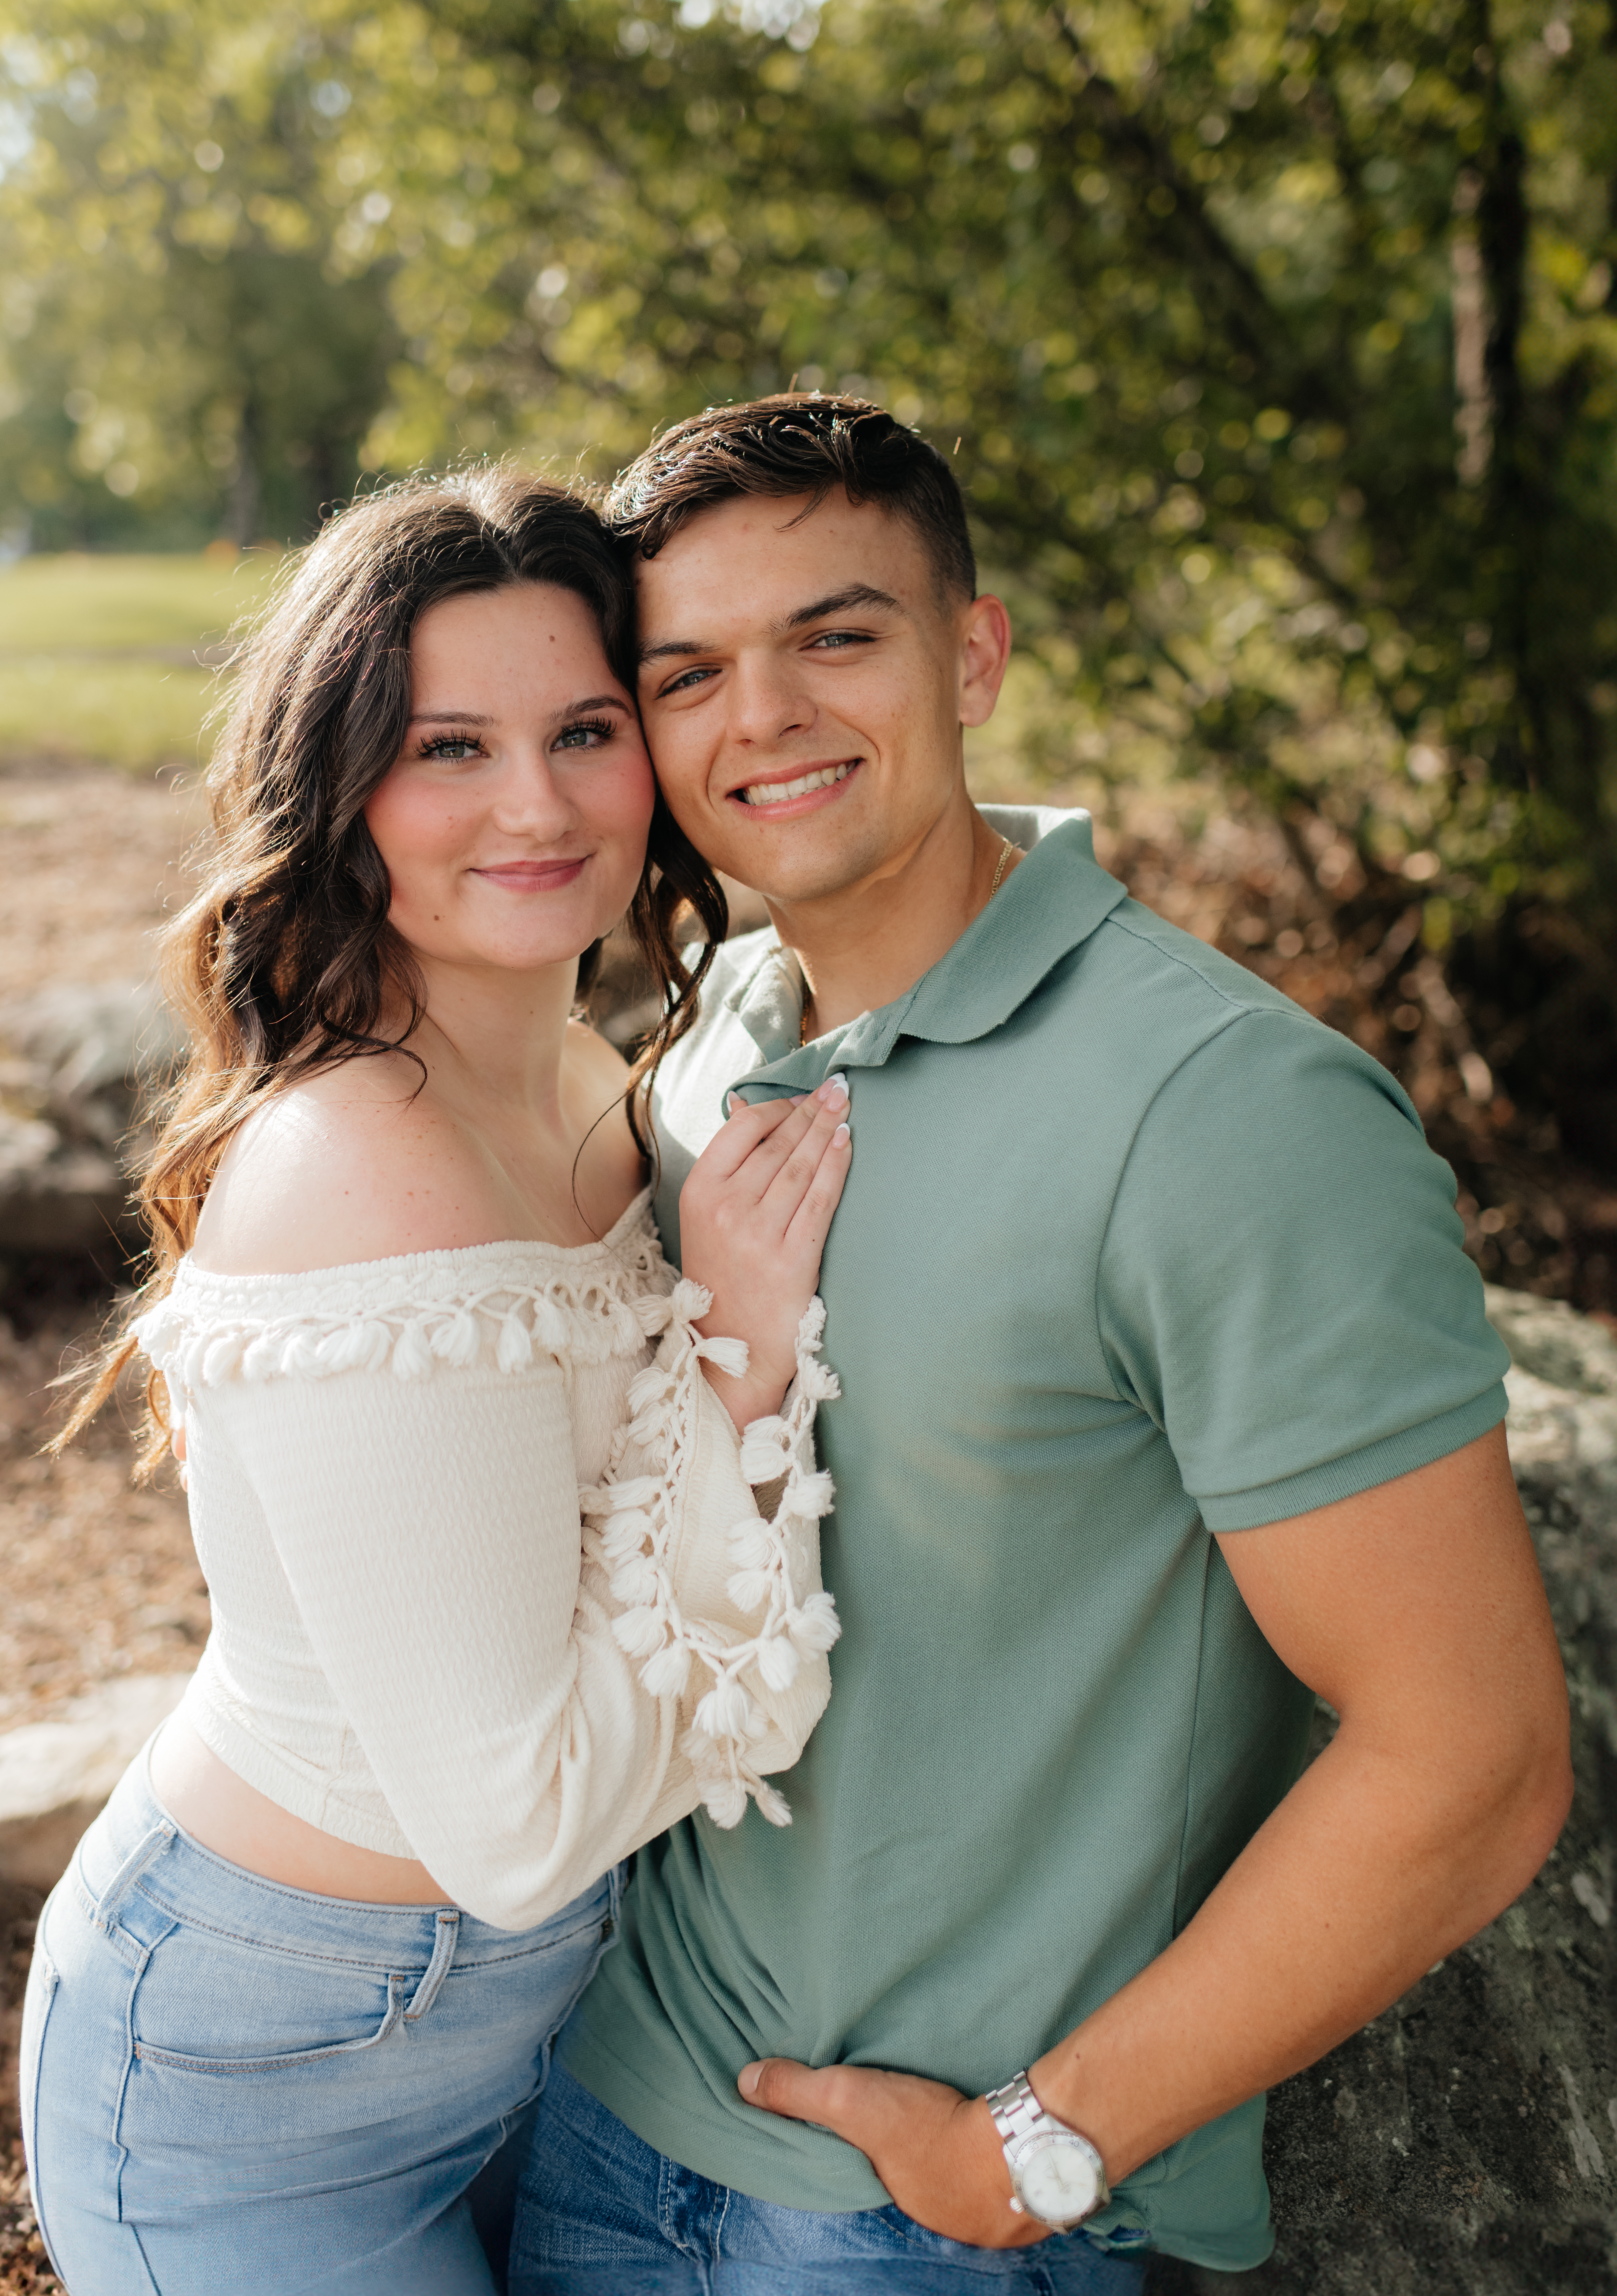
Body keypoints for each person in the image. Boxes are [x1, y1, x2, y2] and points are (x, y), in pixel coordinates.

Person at [510, 397, 1572, 2293]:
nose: (760, 716)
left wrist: (1029, 2150)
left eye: (836, 636)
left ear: (972, 654)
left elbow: (1473, 1755)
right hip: (605, 2111)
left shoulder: (1228, 1114)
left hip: (922, 2234)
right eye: (687, 673)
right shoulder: (713, 1044)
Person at [20, 468, 853, 2295]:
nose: (538, 805)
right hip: (257, 2083)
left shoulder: (582, 1075)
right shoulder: (362, 1170)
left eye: (583, 728)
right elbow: (520, 1821)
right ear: (339, 796)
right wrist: (738, 1357)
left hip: (537, 2033)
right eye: (447, 747)